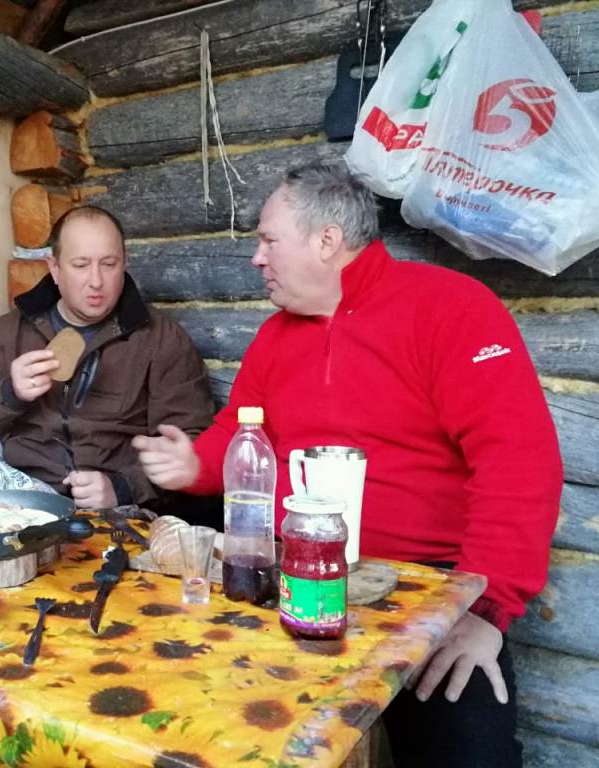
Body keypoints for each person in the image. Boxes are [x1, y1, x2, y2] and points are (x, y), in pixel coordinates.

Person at [132, 162, 563, 767]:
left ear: (326, 240)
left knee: (470, 753)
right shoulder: (276, 336)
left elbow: (518, 460)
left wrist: (485, 610)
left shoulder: (451, 307)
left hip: (427, 589)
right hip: (293, 575)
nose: (257, 258)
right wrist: (193, 465)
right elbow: (241, 431)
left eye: (268, 240)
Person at [0, 205, 215, 510]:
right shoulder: (11, 332)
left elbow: (188, 445)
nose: (96, 281)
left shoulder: (161, 339)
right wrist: (10, 392)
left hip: (118, 511)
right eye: (80, 265)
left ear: (125, 262)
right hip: (22, 504)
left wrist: (124, 487)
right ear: (54, 268)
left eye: (109, 264)